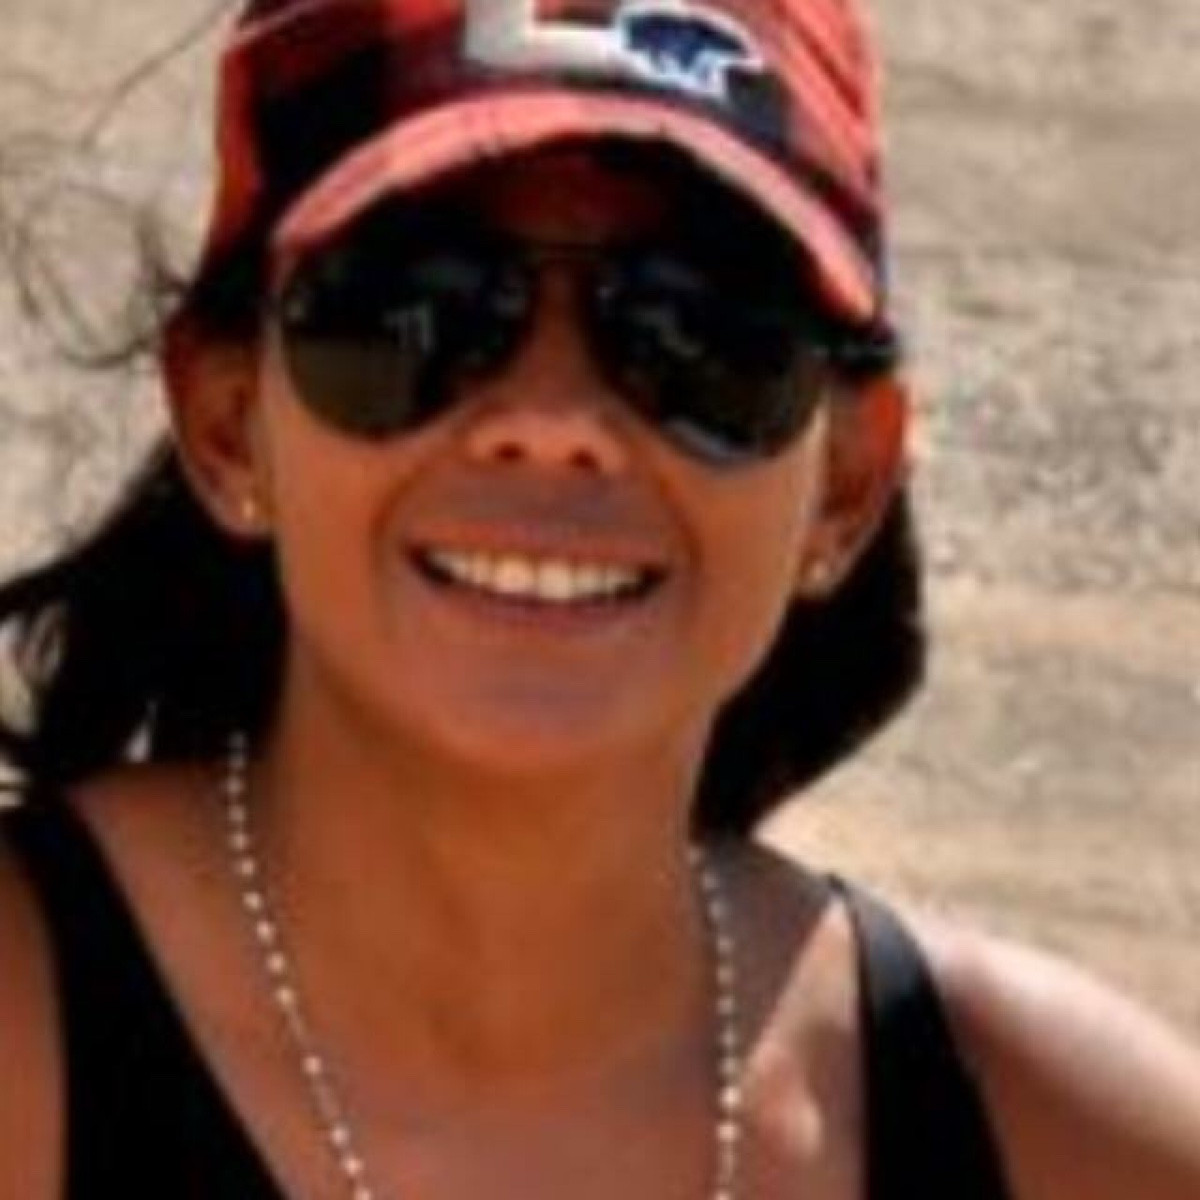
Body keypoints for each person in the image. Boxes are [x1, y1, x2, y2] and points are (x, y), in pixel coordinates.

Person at [1, 0, 1198, 1196]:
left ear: (847, 481)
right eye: (419, 302)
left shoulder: (1064, 1141)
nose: (554, 421)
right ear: (226, 423)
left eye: (696, 326)